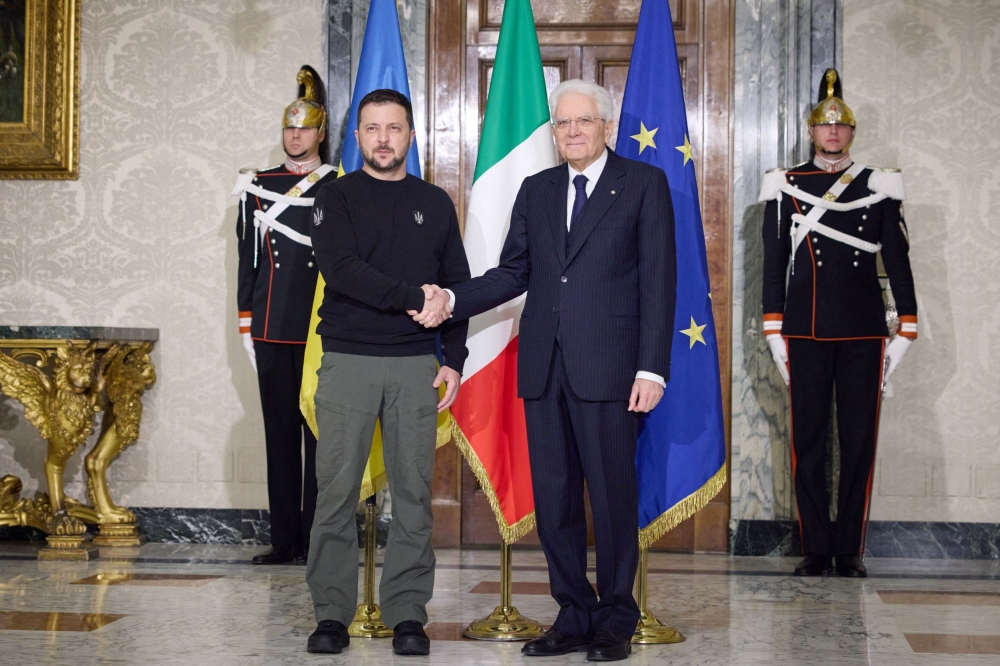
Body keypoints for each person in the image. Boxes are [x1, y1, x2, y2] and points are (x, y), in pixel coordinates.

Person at [418, 79, 676, 662]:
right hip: (544, 369)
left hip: (612, 371)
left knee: (611, 499)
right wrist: (454, 300)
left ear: (605, 127)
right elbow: (514, 274)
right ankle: (574, 613)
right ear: (553, 132)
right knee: (555, 501)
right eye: (563, 123)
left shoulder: (642, 185)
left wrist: (652, 369)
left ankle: (615, 617)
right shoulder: (536, 190)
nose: (574, 131)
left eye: (584, 121)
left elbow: (660, 283)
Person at [304, 89, 470, 657]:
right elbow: (342, 269)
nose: (382, 138)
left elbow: (454, 286)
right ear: (357, 138)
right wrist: (409, 297)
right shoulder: (336, 197)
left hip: (415, 366)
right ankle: (330, 614)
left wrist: (454, 358)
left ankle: (407, 615)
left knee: (414, 497)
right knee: (335, 494)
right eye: (372, 129)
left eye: (393, 128)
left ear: (411, 136)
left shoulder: (436, 201)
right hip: (349, 360)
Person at [759, 69, 918, 578]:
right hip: (804, 327)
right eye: (825, 126)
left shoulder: (879, 184)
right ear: (812, 131)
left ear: (852, 132)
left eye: (841, 127)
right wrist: (771, 324)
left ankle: (848, 547)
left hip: (863, 329)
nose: (833, 133)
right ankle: (815, 546)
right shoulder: (787, 184)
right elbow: (772, 259)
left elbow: (896, 258)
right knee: (807, 440)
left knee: (858, 439)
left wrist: (907, 324)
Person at [233, 65, 337, 566]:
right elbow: (248, 258)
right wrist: (245, 320)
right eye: (288, 129)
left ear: (321, 133)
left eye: (304, 128)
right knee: (279, 437)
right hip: (273, 327)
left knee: (320, 438)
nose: (295, 136)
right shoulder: (258, 185)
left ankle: (318, 537)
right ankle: (284, 539)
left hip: (321, 330)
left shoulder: (338, 185)